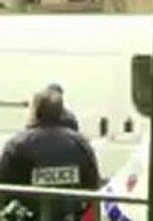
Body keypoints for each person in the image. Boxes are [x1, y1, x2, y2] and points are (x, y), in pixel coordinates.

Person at [0, 89, 100, 220]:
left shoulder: (17, 145)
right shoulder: (81, 144)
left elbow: (4, 188)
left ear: (36, 112)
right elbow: (92, 185)